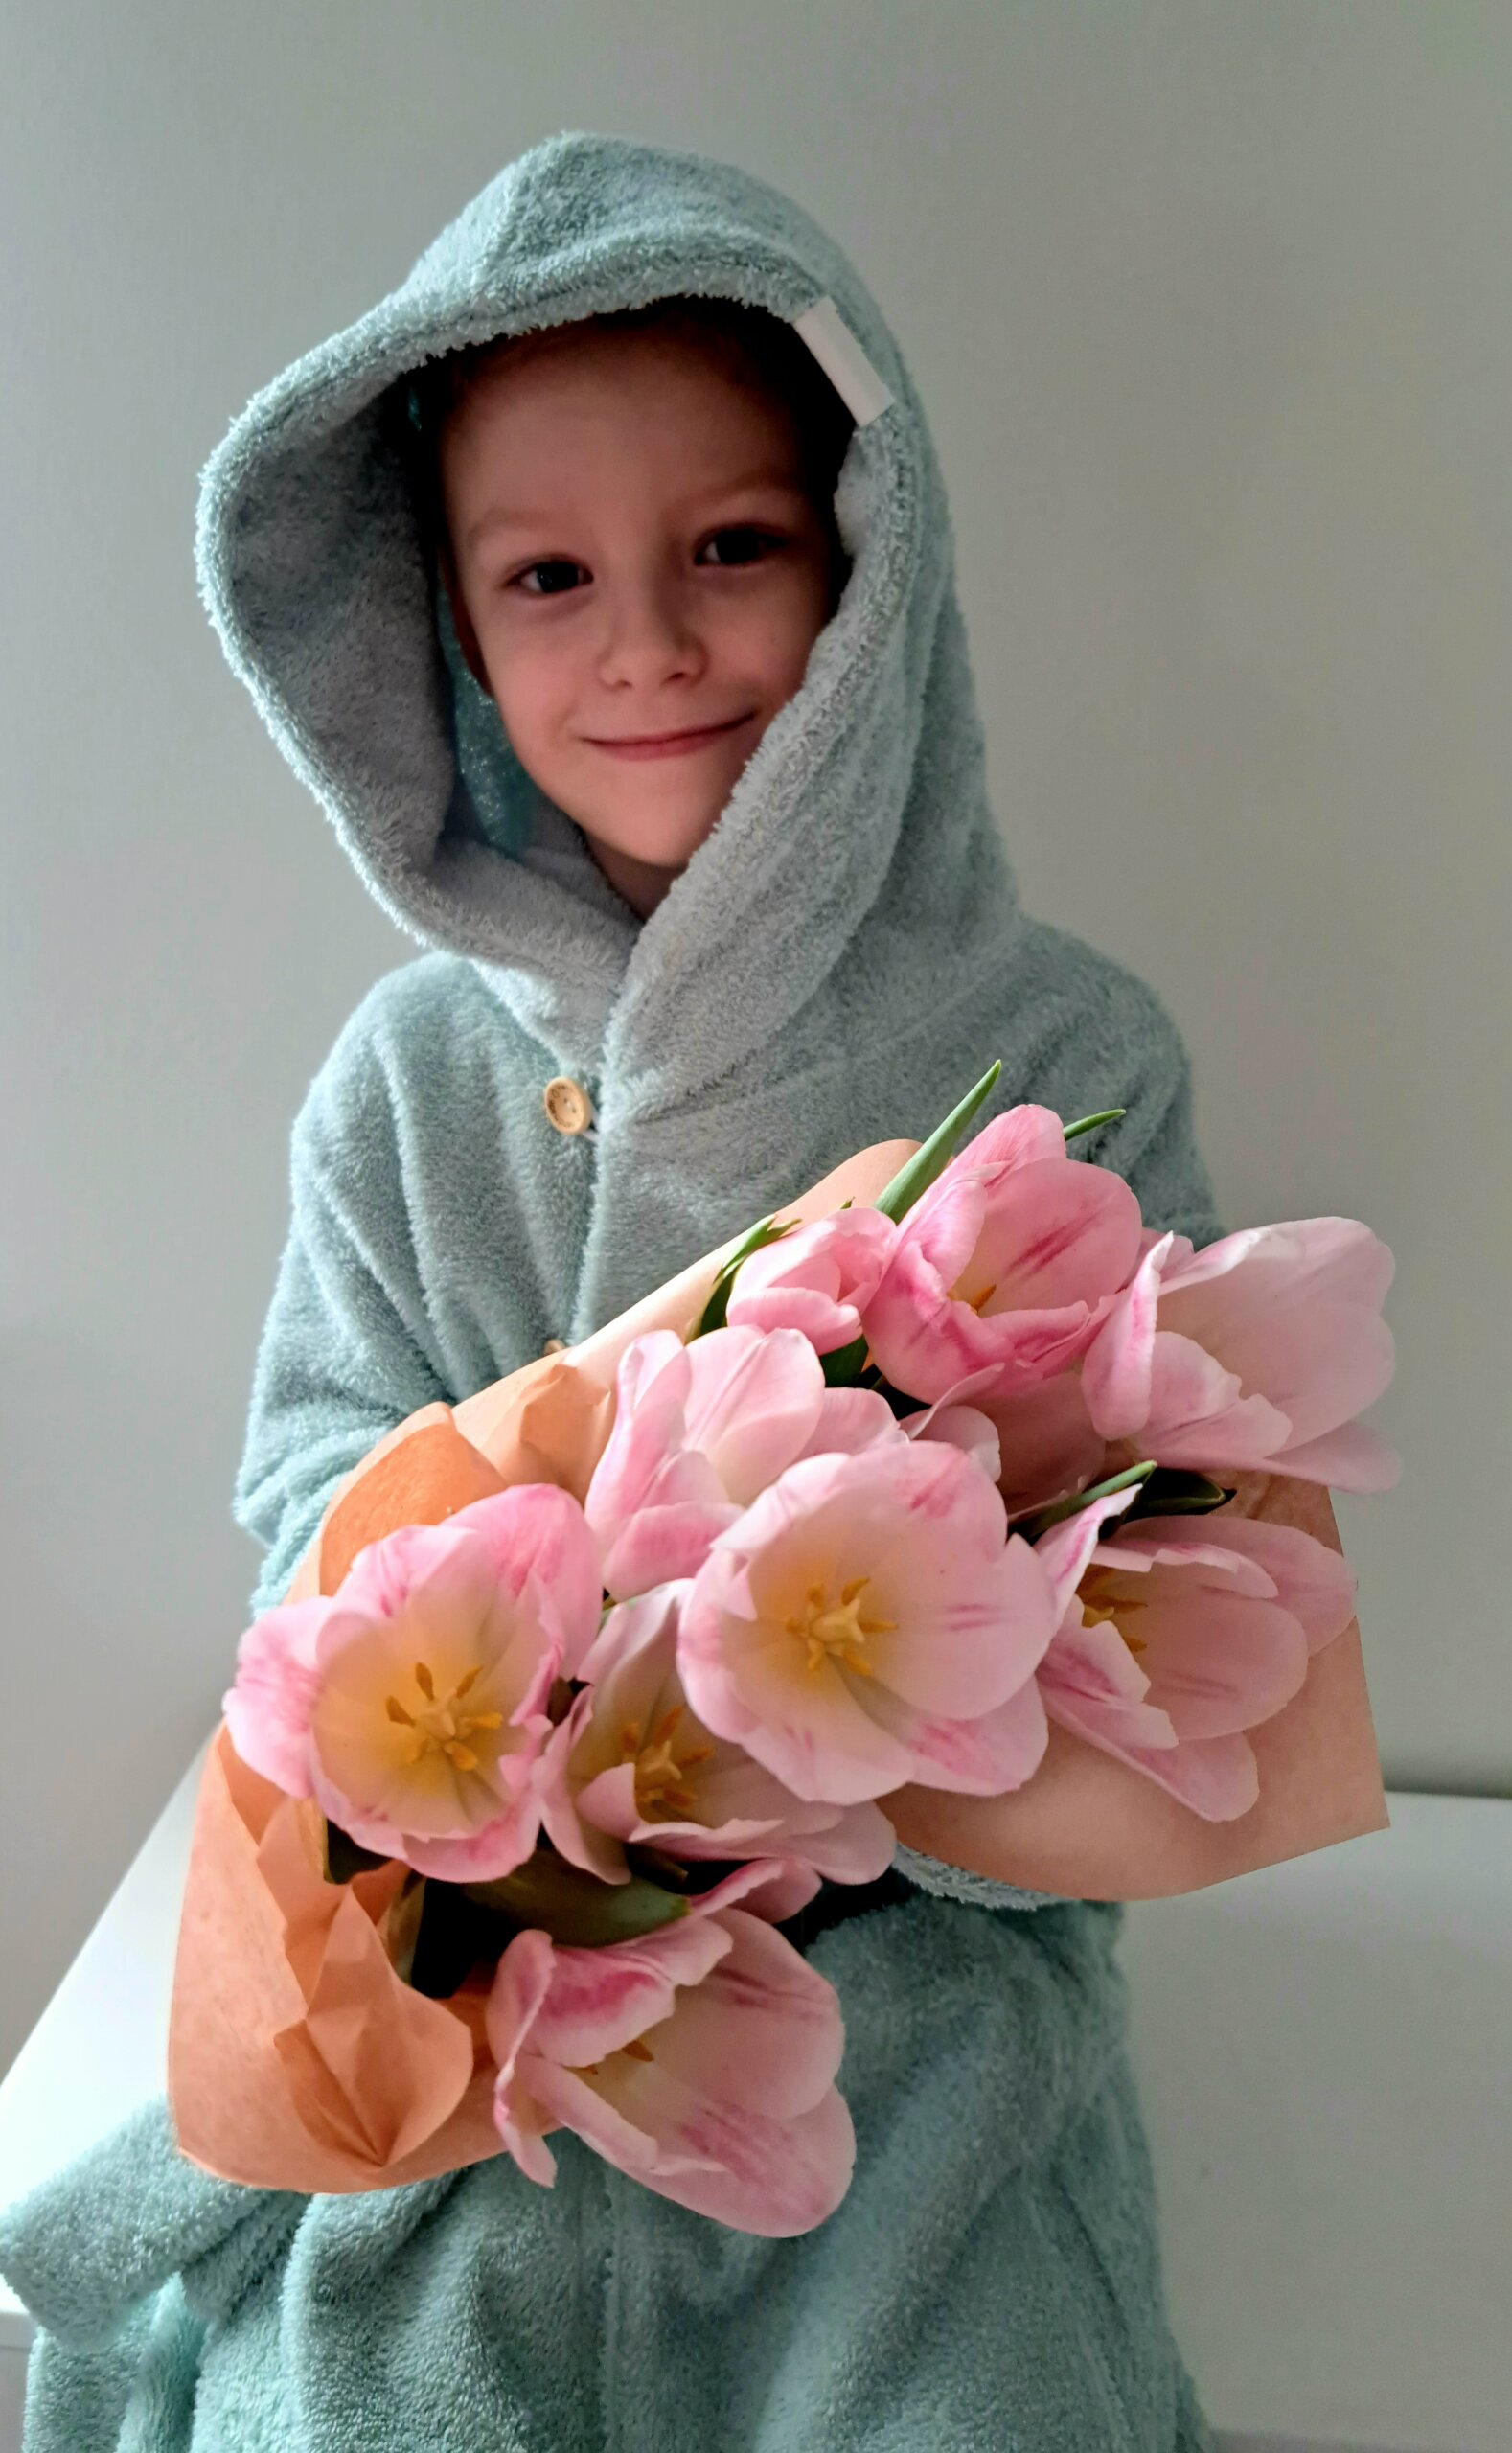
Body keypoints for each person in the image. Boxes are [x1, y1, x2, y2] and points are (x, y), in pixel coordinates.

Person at [0, 131, 1220, 2449]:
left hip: (913, 1988)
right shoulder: (409, 1084)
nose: (648, 642)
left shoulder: (1068, 1051)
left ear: (864, 567)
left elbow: (1163, 1561)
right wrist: (541, 1637)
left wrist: (841, 1703)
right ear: (451, 633)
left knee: (972, 2388)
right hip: (482, 1960)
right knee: (363, 2388)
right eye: (547, 575)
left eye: (730, 546)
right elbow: (310, 1491)